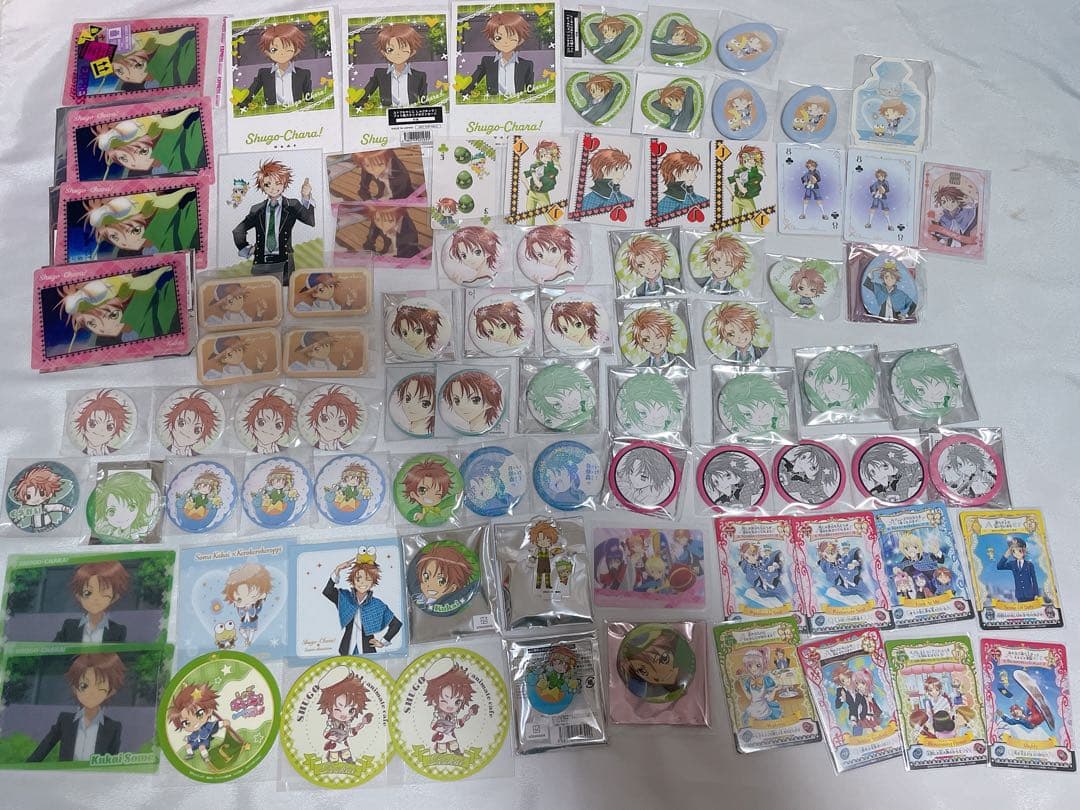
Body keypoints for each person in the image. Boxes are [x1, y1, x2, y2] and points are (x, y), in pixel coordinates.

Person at [28, 654, 125, 762]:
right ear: (75, 688)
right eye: (84, 686)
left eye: (100, 687)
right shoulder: (65, 721)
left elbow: (112, 763)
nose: (91, 693)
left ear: (110, 692)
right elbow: (43, 749)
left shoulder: (113, 727)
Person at [232, 159, 315, 279]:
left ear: (284, 183)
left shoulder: (292, 205)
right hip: (261, 262)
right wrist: (247, 250)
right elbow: (238, 231)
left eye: (278, 183)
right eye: (267, 184)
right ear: (261, 185)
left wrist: (306, 197)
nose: (273, 188)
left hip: (284, 261)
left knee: (286, 289)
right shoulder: (257, 209)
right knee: (260, 289)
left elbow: (310, 221)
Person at [323, 552, 403, 655]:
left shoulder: (376, 604)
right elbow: (328, 592)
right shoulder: (345, 598)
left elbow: (396, 624)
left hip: (367, 651)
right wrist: (338, 569)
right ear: (353, 580)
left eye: (368, 579)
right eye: (358, 579)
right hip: (346, 650)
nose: (362, 583)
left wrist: (383, 642)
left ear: (373, 582)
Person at [237, 23, 312, 109]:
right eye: (274, 49)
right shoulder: (264, 74)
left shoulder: (303, 74)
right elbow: (251, 93)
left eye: (287, 48)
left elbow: (308, 98)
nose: (281, 53)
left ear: (296, 51)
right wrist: (242, 104)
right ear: (267, 52)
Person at [460, 11, 534, 97]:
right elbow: (474, 80)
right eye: (498, 38)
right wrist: (465, 92)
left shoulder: (526, 64)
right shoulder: (487, 62)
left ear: (520, 40)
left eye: (511, 37)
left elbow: (530, 90)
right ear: (492, 40)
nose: (505, 42)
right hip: (494, 102)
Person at [55, 561, 130, 643]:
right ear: (79, 596)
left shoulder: (118, 630)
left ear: (114, 598)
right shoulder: (69, 626)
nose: (95, 598)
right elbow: (53, 650)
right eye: (88, 593)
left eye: (103, 593)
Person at [358, 23, 428, 108]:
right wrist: (362, 105)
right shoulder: (380, 74)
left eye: (403, 48)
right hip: (388, 113)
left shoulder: (419, 76)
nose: (397, 53)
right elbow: (364, 96)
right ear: (384, 53)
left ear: (412, 52)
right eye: (390, 49)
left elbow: (424, 102)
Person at [579, 148, 633, 212]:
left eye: (623, 171)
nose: (622, 176)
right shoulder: (587, 201)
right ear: (604, 169)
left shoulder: (626, 199)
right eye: (616, 170)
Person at [993, 536, 1041, 603]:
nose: (1017, 553)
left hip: (1030, 595)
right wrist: (1006, 555)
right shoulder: (1012, 564)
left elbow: (1034, 580)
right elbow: (999, 566)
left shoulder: (1029, 565)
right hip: (1019, 596)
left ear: (1024, 550)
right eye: (1014, 551)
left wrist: (1036, 594)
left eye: (1019, 551)